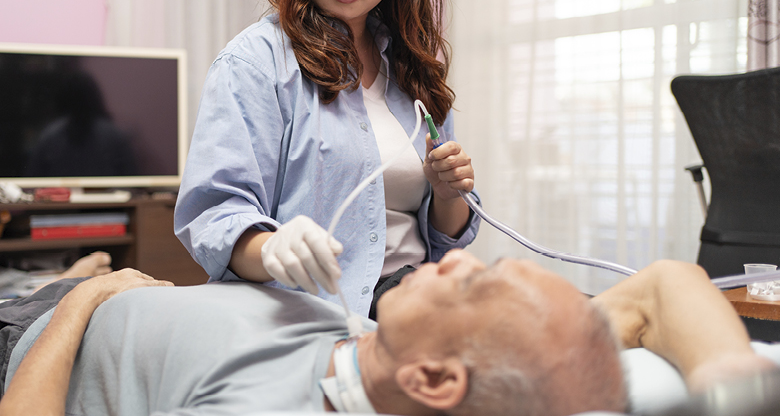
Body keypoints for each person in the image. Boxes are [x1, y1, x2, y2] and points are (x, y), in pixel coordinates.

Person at [174, 0, 480, 318]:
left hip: (419, 300)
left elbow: (442, 239)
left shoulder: (414, 67)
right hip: (317, 314)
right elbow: (215, 217)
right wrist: (270, 247)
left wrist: (449, 193)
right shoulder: (256, 64)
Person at [0, 250, 776, 416]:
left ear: (435, 380)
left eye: (470, 281)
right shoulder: (486, 359)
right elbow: (667, 284)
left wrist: (83, 304)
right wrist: (731, 388)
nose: (458, 256)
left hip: (32, 340)